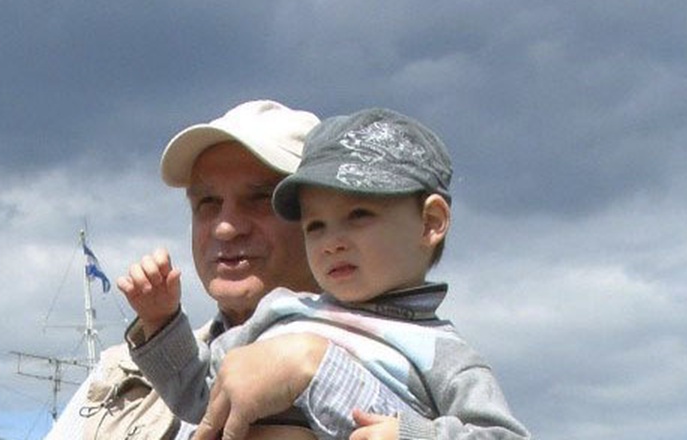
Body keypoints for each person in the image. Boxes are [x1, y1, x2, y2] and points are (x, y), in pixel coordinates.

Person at [186, 108, 532, 439]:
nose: (332, 242)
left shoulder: (440, 352)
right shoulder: (283, 311)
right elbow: (197, 390)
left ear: (431, 222)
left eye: (358, 215)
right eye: (315, 225)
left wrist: (415, 435)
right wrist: (163, 326)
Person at [42, 99, 322, 440]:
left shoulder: (372, 362)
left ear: (321, 216)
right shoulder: (122, 378)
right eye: (208, 203)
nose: (225, 228)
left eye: (261, 199)